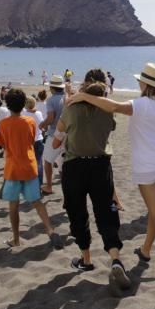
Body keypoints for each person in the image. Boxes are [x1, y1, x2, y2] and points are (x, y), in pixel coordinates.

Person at [68, 61, 155, 274]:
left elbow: (113, 106)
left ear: (145, 83)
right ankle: (146, 249)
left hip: (148, 165)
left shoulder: (140, 105)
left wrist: (83, 96)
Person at [53, 77, 131, 290]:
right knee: (107, 213)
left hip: (74, 166)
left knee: (77, 212)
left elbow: (57, 138)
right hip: (100, 165)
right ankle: (115, 258)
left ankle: (86, 259)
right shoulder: (107, 112)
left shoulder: (71, 110)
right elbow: (110, 128)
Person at [0, 88, 64, 250]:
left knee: (13, 206)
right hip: (29, 165)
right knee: (37, 201)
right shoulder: (30, 122)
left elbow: (2, 144)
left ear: (8, 104)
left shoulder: (4, 124)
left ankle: (16, 239)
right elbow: (32, 139)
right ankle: (49, 229)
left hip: (13, 168)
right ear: (23, 105)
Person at [39, 75, 66, 195]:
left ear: (52, 87)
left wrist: (42, 124)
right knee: (64, 162)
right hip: (68, 134)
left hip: (54, 133)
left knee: (48, 161)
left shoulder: (51, 100)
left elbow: (51, 118)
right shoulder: (67, 98)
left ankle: (49, 186)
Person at [22, 96, 45, 188]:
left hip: (28, 141)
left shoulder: (23, 113)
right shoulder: (38, 113)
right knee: (38, 162)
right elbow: (42, 126)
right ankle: (39, 183)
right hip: (38, 139)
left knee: (27, 162)